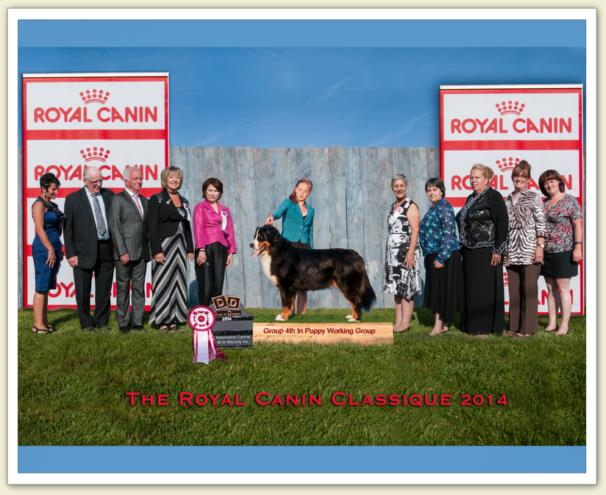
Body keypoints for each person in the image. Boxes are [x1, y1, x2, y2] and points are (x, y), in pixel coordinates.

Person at [456, 164, 508, 336]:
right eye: (471, 177)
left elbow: (502, 223)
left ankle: (485, 327)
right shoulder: (470, 198)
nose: (473, 180)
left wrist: (498, 250)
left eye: (477, 177)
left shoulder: (494, 196)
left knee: (485, 290)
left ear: (486, 179)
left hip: (487, 251)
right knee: (472, 289)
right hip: (469, 251)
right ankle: (471, 326)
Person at [64, 166, 114, 331]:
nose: (98, 184)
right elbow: (68, 229)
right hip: (83, 251)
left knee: (104, 288)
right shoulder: (72, 199)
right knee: (83, 290)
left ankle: (101, 321)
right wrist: (70, 254)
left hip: (107, 247)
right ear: (85, 181)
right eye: (94, 181)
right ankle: (85, 322)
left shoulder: (109, 195)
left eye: (101, 180)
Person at [146, 166, 194, 331]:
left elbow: (187, 226)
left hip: (181, 246)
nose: (175, 180)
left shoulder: (185, 201)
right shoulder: (156, 199)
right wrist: (156, 250)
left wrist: (190, 248)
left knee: (178, 282)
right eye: (171, 177)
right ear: (165, 179)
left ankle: (175, 318)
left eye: (177, 178)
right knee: (163, 282)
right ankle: (161, 320)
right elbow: (151, 227)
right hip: (164, 245)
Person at [503, 160, 546, 338]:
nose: (519, 179)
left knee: (528, 288)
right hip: (511, 248)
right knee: (513, 289)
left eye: (523, 177)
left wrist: (540, 247)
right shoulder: (507, 198)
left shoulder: (534, 197)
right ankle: (514, 326)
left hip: (529, 247)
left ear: (528, 179)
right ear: (512, 178)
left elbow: (541, 223)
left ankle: (527, 328)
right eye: (516, 176)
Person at [538, 169, 583, 336]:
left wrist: (578, 247)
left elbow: (578, 224)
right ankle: (551, 323)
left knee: (563, 288)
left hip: (564, 250)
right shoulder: (543, 203)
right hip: (547, 251)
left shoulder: (570, 201)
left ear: (559, 182)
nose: (549, 184)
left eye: (552, 180)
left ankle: (564, 325)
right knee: (550, 288)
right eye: (546, 182)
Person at [419, 178, 463, 336]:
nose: (431, 192)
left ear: (442, 191)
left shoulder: (443, 206)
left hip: (444, 254)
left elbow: (448, 232)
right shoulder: (433, 208)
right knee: (439, 289)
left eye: (434, 189)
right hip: (433, 254)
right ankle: (443, 324)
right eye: (429, 190)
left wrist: (441, 258)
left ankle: (438, 326)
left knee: (440, 291)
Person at [108, 166, 150, 333]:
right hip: (124, 253)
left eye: (140, 178)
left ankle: (138, 322)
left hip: (142, 253)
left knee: (139, 288)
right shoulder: (117, 199)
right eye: (136, 178)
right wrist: (122, 251)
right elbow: (114, 226)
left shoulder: (145, 201)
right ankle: (123, 323)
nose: (139, 180)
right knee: (123, 289)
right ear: (126, 181)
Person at [265, 178, 314, 315]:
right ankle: (288, 312)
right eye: (300, 190)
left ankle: (302, 315)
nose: (302, 193)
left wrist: (312, 250)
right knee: (287, 282)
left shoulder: (311, 210)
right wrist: (272, 217)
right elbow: (278, 212)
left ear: (309, 193)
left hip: (304, 248)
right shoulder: (288, 203)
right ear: (295, 189)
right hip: (288, 247)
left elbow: (310, 231)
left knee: (303, 283)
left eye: (305, 191)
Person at [383, 174, 422, 332]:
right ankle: (398, 322)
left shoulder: (411, 206)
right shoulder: (393, 206)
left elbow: (415, 230)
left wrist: (411, 253)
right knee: (396, 287)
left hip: (406, 251)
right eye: (396, 186)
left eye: (401, 186)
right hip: (392, 254)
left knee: (406, 287)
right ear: (392, 188)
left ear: (406, 186)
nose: (399, 189)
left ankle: (406, 323)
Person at [193, 177, 237, 307]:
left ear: (220, 193)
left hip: (222, 248)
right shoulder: (200, 207)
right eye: (210, 190)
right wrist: (201, 249)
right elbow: (198, 228)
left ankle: (216, 315)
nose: (212, 193)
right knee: (206, 284)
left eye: (216, 190)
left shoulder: (225, 210)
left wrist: (231, 252)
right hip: (205, 247)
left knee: (218, 283)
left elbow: (229, 230)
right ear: (204, 192)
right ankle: (204, 314)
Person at [31, 172, 64, 334]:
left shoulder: (52, 205)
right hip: (44, 250)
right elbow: (39, 228)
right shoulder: (38, 205)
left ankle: (44, 321)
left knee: (46, 287)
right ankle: (38, 325)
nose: (56, 192)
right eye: (53, 189)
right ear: (43, 189)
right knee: (41, 287)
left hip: (54, 249)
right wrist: (50, 249)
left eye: (56, 189)